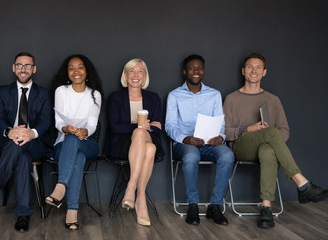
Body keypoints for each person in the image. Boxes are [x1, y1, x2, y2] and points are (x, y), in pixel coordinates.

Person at [223, 52, 328, 229]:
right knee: (271, 133)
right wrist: (249, 129)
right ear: (243, 71)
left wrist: (268, 136)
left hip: (266, 146)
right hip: (241, 147)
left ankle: (266, 207)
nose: (254, 71)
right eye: (250, 67)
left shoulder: (273, 100)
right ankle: (301, 183)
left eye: (258, 67)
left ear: (264, 72)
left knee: (268, 150)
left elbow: (284, 131)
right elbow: (224, 132)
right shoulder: (232, 99)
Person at [0, 52, 52, 232]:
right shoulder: (2, 91)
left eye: (28, 65)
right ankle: (23, 215)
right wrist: (10, 131)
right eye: (19, 65)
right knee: (22, 158)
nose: (23, 69)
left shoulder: (44, 93)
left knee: (20, 145)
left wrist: (31, 133)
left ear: (34, 69)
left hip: (34, 143)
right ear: (13, 68)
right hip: (8, 142)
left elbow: (45, 121)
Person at [165, 54, 234, 226]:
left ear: (203, 71)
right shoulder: (174, 95)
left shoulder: (214, 94)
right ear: (184, 72)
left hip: (209, 143)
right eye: (191, 68)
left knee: (227, 155)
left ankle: (215, 206)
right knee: (191, 156)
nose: (196, 71)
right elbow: (170, 125)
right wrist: (185, 138)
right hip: (185, 144)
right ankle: (193, 205)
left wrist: (221, 137)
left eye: (199, 68)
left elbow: (221, 123)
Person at [45, 54, 102, 230]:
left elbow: (92, 125)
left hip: (87, 142)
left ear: (87, 71)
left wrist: (85, 131)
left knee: (77, 144)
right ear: (67, 72)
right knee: (77, 156)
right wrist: (67, 128)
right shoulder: (61, 91)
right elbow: (58, 122)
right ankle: (72, 210)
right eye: (71, 68)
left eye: (80, 67)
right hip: (63, 144)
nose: (76, 71)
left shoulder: (95, 94)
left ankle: (61, 186)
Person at [104, 58, 163, 227]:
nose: (135, 75)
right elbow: (114, 126)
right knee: (149, 148)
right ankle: (141, 199)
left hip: (148, 137)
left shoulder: (153, 97)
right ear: (125, 75)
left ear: (145, 76)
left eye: (140, 71)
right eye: (131, 71)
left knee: (142, 135)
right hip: (122, 145)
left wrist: (149, 127)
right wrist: (140, 126)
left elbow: (158, 127)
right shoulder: (116, 97)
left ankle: (131, 187)